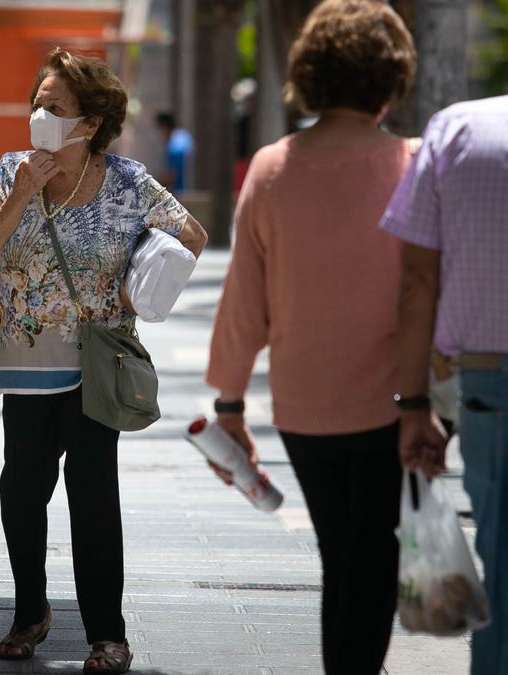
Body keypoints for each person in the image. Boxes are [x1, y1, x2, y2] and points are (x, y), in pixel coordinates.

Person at [0, 49, 207, 673]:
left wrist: (138, 287)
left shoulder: (127, 183)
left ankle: (107, 634)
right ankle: (30, 613)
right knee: (22, 492)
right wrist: (20, 193)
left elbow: (191, 236)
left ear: (91, 122)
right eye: (37, 105)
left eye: (56, 108)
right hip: (24, 363)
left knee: (92, 495)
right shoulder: (10, 172)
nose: (40, 116)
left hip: (96, 365)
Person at [204, 2, 416, 673]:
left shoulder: (270, 168)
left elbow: (244, 302)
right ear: (391, 76)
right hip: (395, 402)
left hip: (303, 407)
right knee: (374, 553)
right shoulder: (414, 164)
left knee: (341, 552)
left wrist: (231, 406)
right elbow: (428, 290)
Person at [382, 94, 508, 675]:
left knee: (503, 565)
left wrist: (414, 405)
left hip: (492, 381)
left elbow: (416, 279)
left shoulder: (462, 128)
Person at [154, 111, 193, 193]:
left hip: (180, 194)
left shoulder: (175, 146)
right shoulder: (183, 136)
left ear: (164, 127)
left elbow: (171, 175)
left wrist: (152, 186)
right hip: (189, 190)